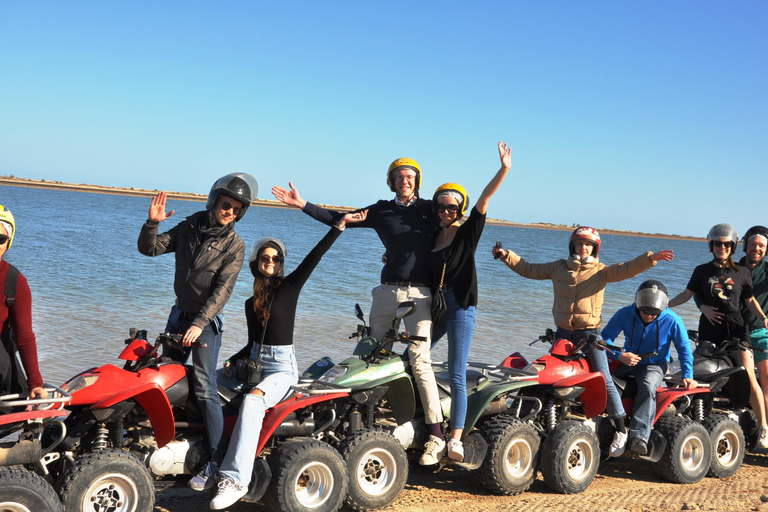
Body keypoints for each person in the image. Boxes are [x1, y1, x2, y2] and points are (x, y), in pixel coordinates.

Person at [272, 158, 447, 464]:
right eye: (398, 177)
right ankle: (354, 422)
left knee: (420, 361)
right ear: (390, 181)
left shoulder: (430, 209)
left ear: (417, 181)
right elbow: (340, 218)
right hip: (385, 292)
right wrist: (302, 204)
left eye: (409, 176)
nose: (404, 180)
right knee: (369, 355)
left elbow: (456, 223)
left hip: (420, 294)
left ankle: (436, 436)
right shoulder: (381, 210)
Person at [209, 210, 366, 509]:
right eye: (265, 258)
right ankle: (209, 459)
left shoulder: (290, 288)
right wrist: (232, 360)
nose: (270, 262)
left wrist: (339, 227)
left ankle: (235, 480)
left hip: (282, 368)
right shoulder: (249, 302)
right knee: (205, 383)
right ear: (256, 263)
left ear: (281, 264)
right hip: (256, 360)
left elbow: (314, 257)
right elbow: (252, 343)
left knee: (254, 401)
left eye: (276, 259)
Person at [492, 226, 674, 456]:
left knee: (603, 377)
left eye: (588, 244)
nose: (583, 247)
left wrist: (650, 259)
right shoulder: (558, 268)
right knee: (545, 375)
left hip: (589, 335)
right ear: (573, 246)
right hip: (562, 334)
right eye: (579, 244)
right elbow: (529, 269)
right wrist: (507, 255)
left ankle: (620, 429)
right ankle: (532, 419)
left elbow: (626, 269)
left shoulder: (601, 271)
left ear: (595, 248)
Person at [137, 173, 257, 489]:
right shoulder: (189, 227)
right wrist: (152, 224)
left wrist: (199, 322)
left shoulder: (235, 245)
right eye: (226, 204)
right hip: (179, 315)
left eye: (236, 209)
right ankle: (171, 443)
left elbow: (223, 290)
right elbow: (149, 249)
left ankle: (216, 462)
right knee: (165, 375)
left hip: (204, 324)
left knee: (204, 386)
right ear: (214, 201)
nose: (229, 211)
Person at [427, 141, 511, 462]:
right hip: (436, 306)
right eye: (440, 206)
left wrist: (503, 169)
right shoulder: (434, 234)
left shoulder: (466, 232)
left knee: (457, 371)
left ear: (459, 209)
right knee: (414, 357)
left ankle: (455, 439)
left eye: (452, 207)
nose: (445, 212)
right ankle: (429, 418)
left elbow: (484, 199)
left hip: (461, 305)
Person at [668, 223, 768, 448]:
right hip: (709, 330)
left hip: (736, 331)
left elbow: (749, 301)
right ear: (711, 245)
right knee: (697, 373)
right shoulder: (701, 271)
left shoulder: (742, 272)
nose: (721, 247)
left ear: (732, 247)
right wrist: (663, 305)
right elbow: (687, 294)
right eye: (717, 244)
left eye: (726, 244)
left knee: (749, 377)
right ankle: (694, 419)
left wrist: (764, 318)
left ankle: (764, 428)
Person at [602, 280, 696, 456]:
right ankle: (617, 428)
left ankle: (639, 437)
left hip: (656, 364)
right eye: (644, 312)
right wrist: (619, 356)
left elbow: (684, 349)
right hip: (628, 360)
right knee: (606, 382)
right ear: (638, 303)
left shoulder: (673, 319)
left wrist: (688, 374)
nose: (648, 316)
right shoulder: (625, 313)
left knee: (647, 385)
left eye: (654, 314)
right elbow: (605, 339)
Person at [0, 205, 47, 400]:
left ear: (8, 242)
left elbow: (25, 336)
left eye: (1, 239)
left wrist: (35, 383)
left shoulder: (15, 281)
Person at [739, 226, 768, 436]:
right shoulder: (732, 268)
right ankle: (758, 425)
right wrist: (703, 305)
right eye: (752, 244)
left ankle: (765, 431)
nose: (756, 249)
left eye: (761, 245)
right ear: (744, 245)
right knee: (747, 382)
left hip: (762, 334)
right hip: (735, 333)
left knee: (766, 383)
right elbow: (701, 288)